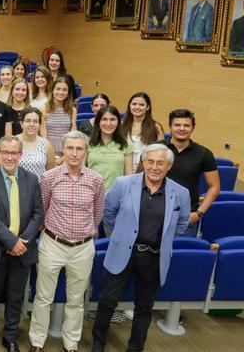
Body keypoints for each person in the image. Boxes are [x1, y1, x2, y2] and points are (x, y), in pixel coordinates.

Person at [91, 144, 191, 352]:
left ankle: (135, 347)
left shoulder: (181, 193)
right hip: (123, 253)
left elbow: (181, 225)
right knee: (107, 302)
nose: (154, 167)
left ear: (169, 166)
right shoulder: (123, 183)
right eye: (150, 161)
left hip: (154, 257)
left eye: (160, 163)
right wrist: (119, 236)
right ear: (143, 162)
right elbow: (108, 214)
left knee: (144, 308)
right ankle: (98, 343)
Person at [29, 131, 105, 352]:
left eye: (79, 148)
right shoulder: (49, 177)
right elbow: (41, 209)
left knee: (76, 300)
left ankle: (71, 343)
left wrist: (83, 232)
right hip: (52, 243)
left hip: (82, 248)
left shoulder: (96, 179)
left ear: (85, 151)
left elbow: (98, 213)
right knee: (43, 296)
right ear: (63, 150)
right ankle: (37, 340)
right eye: (70, 148)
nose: (74, 153)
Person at [0, 135, 44, 352]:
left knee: (16, 297)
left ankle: (10, 337)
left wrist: (22, 241)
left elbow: (38, 213)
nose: (9, 157)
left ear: (20, 155)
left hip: (23, 249)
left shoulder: (32, 179)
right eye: (5, 152)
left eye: (14, 152)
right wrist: (11, 241)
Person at [163, 109, 220, 237]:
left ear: (193, 128)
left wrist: (199, 213)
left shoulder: (204, 154)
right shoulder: (156, 149)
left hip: (186, 217)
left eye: (186, 125)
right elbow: (140, 178)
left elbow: (214, 187)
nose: (182, 128)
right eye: (177, 125)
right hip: (154, 214)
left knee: (182, 255)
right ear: (170, 127)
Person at [87, 105, 134, 191]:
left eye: (112, 119)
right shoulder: (87, 143)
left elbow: (128, 176)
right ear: (98, 122)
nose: (108, 123)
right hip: (91, 192)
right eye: (104, 119)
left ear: (118, 122)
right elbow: (80, 171)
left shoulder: (127, 145)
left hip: (116, 194)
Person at [120, 92, 163, 167]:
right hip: (122, 166)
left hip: (145, 167)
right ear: (129, 106)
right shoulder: (121, 125)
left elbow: (161, 152)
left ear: (148, 107)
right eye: (134, 104)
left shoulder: (156, 127)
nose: (137, 107)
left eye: (141, 105)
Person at [16, 107, 55, 178]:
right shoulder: (13, 142)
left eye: (35, 121)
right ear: (21, 123)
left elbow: (51, 173)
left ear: (40, 125)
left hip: (39, 187)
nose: (32, 124)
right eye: (28, 121)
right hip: (16, 187)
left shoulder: (46, 144)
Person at [44, 77, 76, 153]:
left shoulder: (72, 110)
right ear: (52, 90)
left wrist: (65, 155)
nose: (61, 92)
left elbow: (73, 132)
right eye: (58, 89)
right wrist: (49, 153)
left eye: (64, 90)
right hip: (48, 149)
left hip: (67, 149)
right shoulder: (43, 109)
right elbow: (43, 136)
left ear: (68, 93)